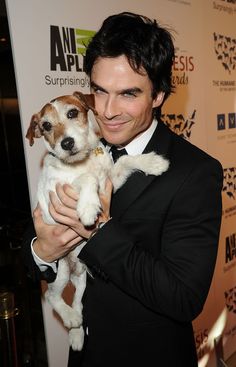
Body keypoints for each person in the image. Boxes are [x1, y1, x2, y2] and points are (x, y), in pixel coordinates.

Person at [22, 11, 223, 367]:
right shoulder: (75, 151)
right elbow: (33, 250)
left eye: (128, 94)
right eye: (99, 91)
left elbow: (182, 298)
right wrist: (43, 250)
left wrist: (99, 229)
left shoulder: (195, 172)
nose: (108, 111)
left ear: (159, 94)